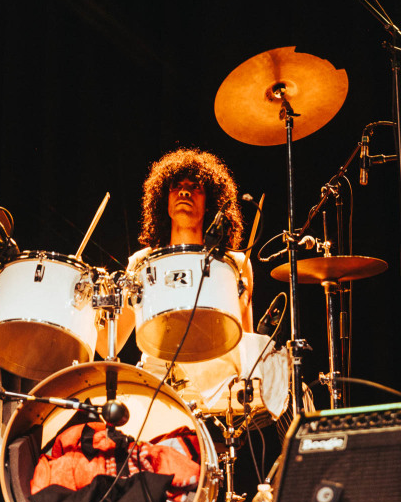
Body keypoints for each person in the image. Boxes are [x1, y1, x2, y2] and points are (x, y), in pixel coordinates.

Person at [97, 147, 289, 423]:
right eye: (176, 186)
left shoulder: (234, 263)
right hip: (159, 388)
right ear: (164, 201)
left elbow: (244, 341)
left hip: (219, 390)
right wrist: (90, 303)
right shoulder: (142, 261)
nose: (184, 192)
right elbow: (109, 344)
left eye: (195, 187)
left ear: (210, 202)